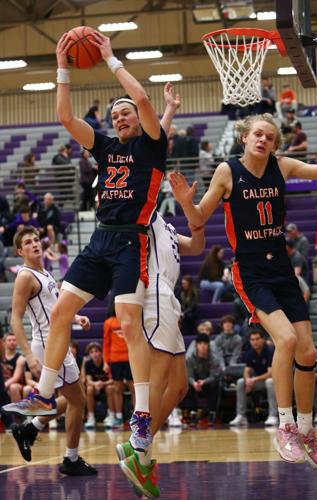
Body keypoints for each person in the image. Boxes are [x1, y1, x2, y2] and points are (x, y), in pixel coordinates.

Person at [2, 30, 168, 486]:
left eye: (126, 113)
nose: (120, 117)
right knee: (59, 313)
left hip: (132, 242)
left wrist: (111, 58)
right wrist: (62, 67)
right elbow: (65, 116)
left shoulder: (152, 145)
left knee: (130, 325)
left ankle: (140, 415)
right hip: (100, 240)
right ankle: (41, 395)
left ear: (140, 119)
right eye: (115, 114)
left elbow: (144, 99)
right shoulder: (107, 147)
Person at [169, 112, 317, 470]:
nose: (263, 140)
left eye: (270, 136)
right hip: (251, 271)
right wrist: (184, 200)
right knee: (287, 341)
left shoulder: (283, 165)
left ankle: (307, 432)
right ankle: (284, 425)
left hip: (282, 269)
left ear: (275, 143)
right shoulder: (228, 172)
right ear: (244, 138)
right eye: (258, 134)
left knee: (307, 352)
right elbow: (198, 217)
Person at [116, 209, 205, 497]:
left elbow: (196, 245)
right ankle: (140, 452)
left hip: (169, 295)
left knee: (178, 386)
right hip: (155, 290)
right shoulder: (145, 214)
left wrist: (196, 220)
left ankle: (137, 446)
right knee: (158, 374)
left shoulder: (165, 226)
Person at [1, 226, 96, 475]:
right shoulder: (25, 276)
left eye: (36, 240)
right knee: (78, 401)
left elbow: (55, 309)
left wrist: (76, 318)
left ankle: (30, 428)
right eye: (28, 242)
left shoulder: (44, 272)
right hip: (47, 343)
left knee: (74, 399)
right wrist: (29, 356)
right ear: (20, 251)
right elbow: (15, 319)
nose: (35, 244)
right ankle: (70, 459)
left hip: (56, 340)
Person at [229, 329, 277, 427]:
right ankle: (241, 416)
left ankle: (273, 415)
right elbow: (246, 371)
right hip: (259, 381)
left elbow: (271, 373)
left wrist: (254, 379)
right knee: (241, 382)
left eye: (257, 339)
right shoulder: (250, 353)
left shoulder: (269, 351)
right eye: (252, 340)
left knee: (269, 381)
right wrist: (248, 381)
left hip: (275, 381)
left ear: (262, 340)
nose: (255, 342)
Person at [103, 304, 133, 428]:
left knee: (134, 389)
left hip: (130, 358)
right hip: (115, 360)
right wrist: (106, 362)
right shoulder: (109, 322)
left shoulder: (130, 319)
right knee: (117, 389)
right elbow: (106, 342)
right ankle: (119, 417)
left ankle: (135, 417)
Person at [182, 333, 222, 421]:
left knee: (216, 384)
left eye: (205, 344)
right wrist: (194, 383)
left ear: (208, 345)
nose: (203, 346)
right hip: (195, 382)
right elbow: (189, 376)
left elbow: (214, 376)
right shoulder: (189, 358)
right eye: (200, 344)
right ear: (196, 345)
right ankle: (192, 411)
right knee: (187, 385)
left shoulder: (214, 359)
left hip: (208, 382)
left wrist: (204, 382)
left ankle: (211, 411)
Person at [84, 342, 115, 430]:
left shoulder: (107, 363)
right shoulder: (88, 364)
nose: (94, 354)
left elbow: (114, 379)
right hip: (95, 386)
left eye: (96, 351)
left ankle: (112, 415)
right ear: (89, 354)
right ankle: (91, 417)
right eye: (92, 352)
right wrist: (96, 384)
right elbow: (88, 380)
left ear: (101, 353)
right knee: (89, 389)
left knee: (110, 388)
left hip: (106, 385)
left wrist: (103, 384)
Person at [2, 332, 25, 404]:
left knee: (13, 387)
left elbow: (16, 377)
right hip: (3, 382)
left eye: (14, 340)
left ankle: (17, 414)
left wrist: (3, 385)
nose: (12, 342)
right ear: (4, 342)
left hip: (17, 384)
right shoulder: (1, 356)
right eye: (9, 340)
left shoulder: (20, 358)